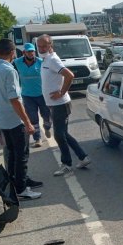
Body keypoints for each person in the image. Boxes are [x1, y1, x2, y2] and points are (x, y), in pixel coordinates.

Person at [0, 39, 42, 202]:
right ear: (12, 53)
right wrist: (28, 122)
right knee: (22, 155)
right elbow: (15, 99)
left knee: (11, 155)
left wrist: (1, 112)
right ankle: (22, 188)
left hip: (3, 118)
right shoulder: (9, 71)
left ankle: (12, 185)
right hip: (15, 120)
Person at [36, 34, 91, 177]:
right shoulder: (46, 59)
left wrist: (61, 92)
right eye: (39, 46)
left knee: (59, 135)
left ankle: (66, 164)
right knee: (64, 133)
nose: (41, 48)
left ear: (50, 45)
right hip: (54, 104)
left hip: (60, 104)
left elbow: (70, 75)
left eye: (44, 46)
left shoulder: (53, 60)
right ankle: (83, 157)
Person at [13, 43, 51, 148]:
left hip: (41, 94)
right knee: (33, 118)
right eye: (28, 51)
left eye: (32, 51)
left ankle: (47, 127)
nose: (31, 53)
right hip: (27, 95)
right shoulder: (17, 63)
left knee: (46, 115)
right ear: (24, 52)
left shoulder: (41, 62)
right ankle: (37, 138)